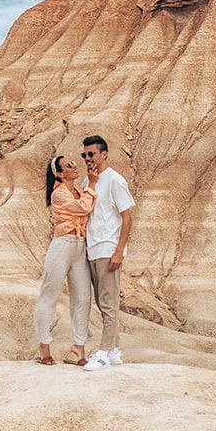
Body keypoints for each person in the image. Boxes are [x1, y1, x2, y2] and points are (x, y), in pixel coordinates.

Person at [32, 155, 95, 366]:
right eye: (69, 165)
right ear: (59, 173)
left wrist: (88, 189)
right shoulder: (58, 194)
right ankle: (43, 346)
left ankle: (79, 348)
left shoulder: (78, 191)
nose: (74, 166)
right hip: (62, 244)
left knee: (83, 297)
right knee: (49, 294)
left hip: (80, 245)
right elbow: (83, 208)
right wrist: (92, 185)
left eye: (74, 163)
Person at [80, 134, 135, 371]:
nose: (87, 158)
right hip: (92, 249)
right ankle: (113, 351)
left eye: (91, 154)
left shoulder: (115, 180)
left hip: (108, 247)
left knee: (109, 302)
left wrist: (119, 251)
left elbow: (127, 217)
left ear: (104, 154)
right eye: (84, 155)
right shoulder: (87, 183)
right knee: (103, 304)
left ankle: (103, 353)